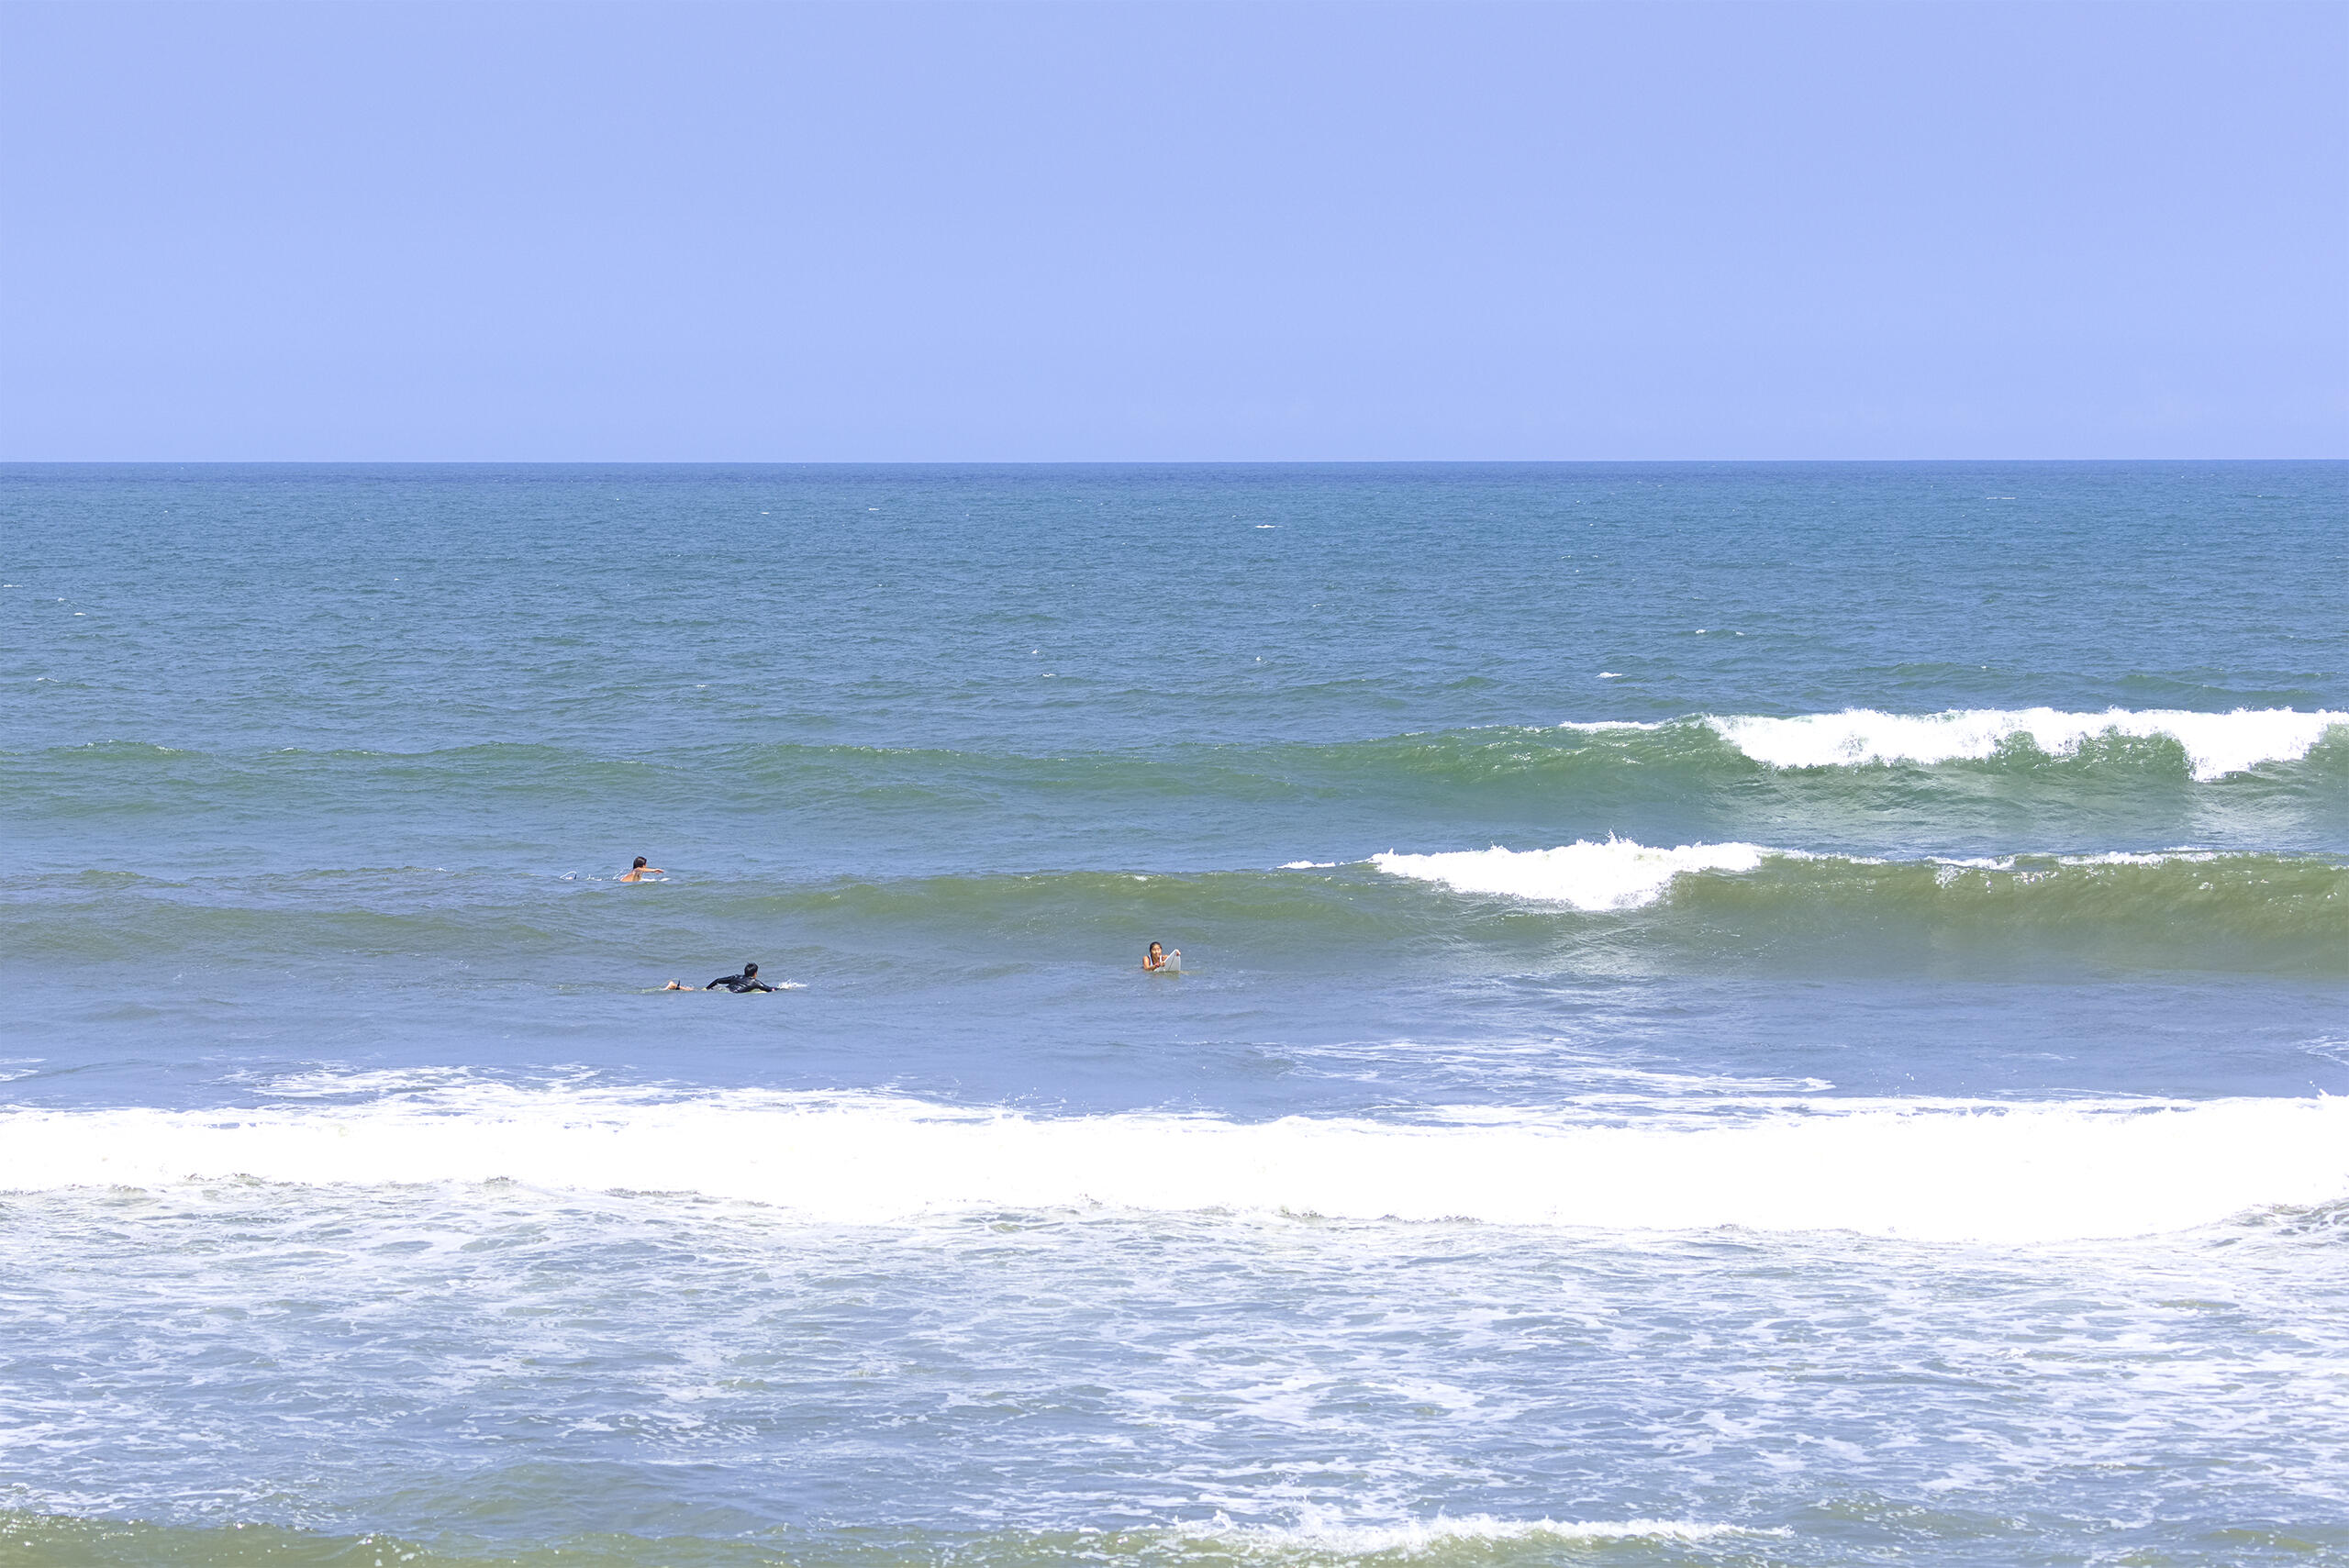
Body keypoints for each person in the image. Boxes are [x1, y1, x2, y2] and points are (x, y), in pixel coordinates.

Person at [706, 962, 776, 993]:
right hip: (730, 993)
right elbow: (770, 989)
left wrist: (706, 988)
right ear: (755, 973)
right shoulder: (755, 982)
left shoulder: (736, 977)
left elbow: (718, 980)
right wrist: (782, 988)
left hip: (720, 989)